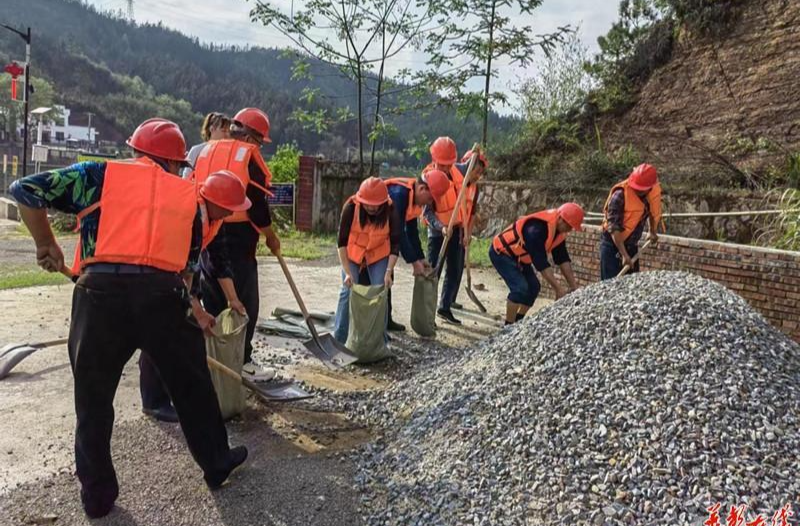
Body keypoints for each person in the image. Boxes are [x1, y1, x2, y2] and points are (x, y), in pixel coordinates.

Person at [9, 118, 248, 519]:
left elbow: (24, 190)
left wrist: (46, 243)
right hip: (163, 297)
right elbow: (187, 268)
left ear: (136, 151)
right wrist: (195, 310)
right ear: (175, 164)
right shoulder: (188, 197)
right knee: (193, 387)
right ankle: (216, 462)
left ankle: (98, 497)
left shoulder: (98, 175)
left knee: (93, 401)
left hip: (99, 296)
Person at [192, 107, 281, 381]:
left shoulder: (207, 150)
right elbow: (255, 207)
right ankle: (241, 359)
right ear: (251, 136)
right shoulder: (246, 157)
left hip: (205, 225)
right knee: (244, 302)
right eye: (259, 141)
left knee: (214, 294)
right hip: (238, 232)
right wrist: (270, 235)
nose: (258, 147)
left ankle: (218, 357)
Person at [490, 203, 585, 325]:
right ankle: (508, 326)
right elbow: (541, 263)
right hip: (502, 253)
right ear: (561, 218)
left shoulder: (558, 233)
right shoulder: (536, 229)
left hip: (520, 258)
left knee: (534, 287)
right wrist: (558, 289)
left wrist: (574, 286)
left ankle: (519, 322)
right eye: (569, 226)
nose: (570, 230)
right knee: (520, 288)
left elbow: (562, 259)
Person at [334, 177, 401, 343]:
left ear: (383, 202)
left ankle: (380, 340)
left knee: (381, 290)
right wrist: (348, 273)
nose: (371, 207)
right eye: (367, 203)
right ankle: (339, 339)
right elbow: (341, 243)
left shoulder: (391, 211)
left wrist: (388, 272)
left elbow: (395, 245)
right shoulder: (350, 208)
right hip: (353, 253)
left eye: (375, 204)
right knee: (348, 290)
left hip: (379, 253)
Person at [384, 170, 451, 331]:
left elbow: (412, 231)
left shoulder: (413, 198)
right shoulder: (399, 195)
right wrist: (414, 263)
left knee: (387, 279)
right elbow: (399, 233)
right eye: (429, 199)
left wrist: (421, 258)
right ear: (422, 188)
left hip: (386, 235)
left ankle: (386, 320)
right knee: (382, 278)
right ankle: (381, 324)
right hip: (374, 236)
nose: (428, 203)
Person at [422, 137, 471, 325]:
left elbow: (469, 166)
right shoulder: (427, 178)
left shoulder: (457, 171)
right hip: (438, 233)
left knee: (455, 271)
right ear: (434, 158)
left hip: (457, 229)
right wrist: (441, 228)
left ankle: (444, 307)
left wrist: (475, 155)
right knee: (433, 273)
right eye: (441, 165)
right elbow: (427, 213)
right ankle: (427, 314)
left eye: (448, 164)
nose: (444, 168)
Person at [600, 163, 662, 280]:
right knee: (609, 286)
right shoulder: (619, 195)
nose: (636, 190)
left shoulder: (653, 192)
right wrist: (624, 255)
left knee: (631, 285)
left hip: (631, 245)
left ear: (649, 188)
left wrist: (652, 230)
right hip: (612, 244)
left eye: (641, 190)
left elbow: (654, 211)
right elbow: (614, 229)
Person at [450, 148, 488, 310]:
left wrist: (468, 234)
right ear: (467, 166)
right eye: (476, 171)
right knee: (450, 268)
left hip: (462, 229)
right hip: (449, 227)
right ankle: (440, 302)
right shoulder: (455, 181)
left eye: (480, 173)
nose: (477, 176)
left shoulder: (475, 188)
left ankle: (450, 299)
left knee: (458, 267)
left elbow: (472, 213)